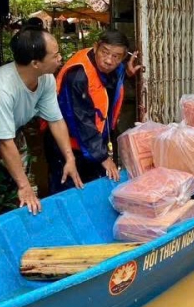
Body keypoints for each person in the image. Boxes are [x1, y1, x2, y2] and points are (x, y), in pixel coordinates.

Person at [0, 26, 83, 215]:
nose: (60, 58)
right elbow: (4, 142)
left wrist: (69, 158)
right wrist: (24, 186)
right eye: (55, 56)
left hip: (13, 133)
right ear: (35, 63)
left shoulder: (46, 79)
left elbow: (55, 120)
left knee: (24, 191)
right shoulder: (2, 89)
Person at [45, 30, 142, 193]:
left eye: (116, 56)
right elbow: (81, 120)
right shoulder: (78, 75)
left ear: (123, 57)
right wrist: (102, 157)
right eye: (105, 52)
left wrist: (125, 74)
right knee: (70, 192)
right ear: (96, 47)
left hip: (92, 143)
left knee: (94, 188)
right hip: (68, 144)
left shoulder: (114, 68)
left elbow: (106, 89)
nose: (109, 60)